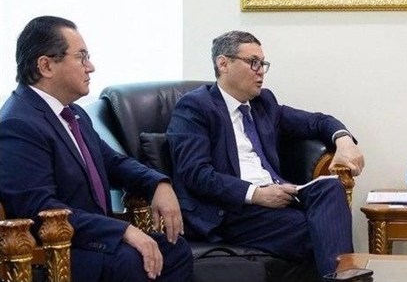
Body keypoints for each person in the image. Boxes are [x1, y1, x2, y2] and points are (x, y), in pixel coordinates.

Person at [0, 16, 193, 282]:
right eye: (81, 57)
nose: (90, 67)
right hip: (55, 252)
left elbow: (113, 163)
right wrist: (122, 230)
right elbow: (39, 208)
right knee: (131, 260)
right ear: (46, 65)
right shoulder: (18, 123)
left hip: (91, 241)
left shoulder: (73, 114)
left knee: (174, 250)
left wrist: (158, 183)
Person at [166, 30, 365, 277]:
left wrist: (344, 140)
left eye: (262, 63)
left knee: (330, 188)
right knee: (321, 230)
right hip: (230, 210)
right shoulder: (195, 107)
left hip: (278, 198)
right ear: (223, 64)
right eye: (253, 62)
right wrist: (256, 194)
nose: (260, 71)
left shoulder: (263, 103)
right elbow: (195, 173)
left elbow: (317, 122)